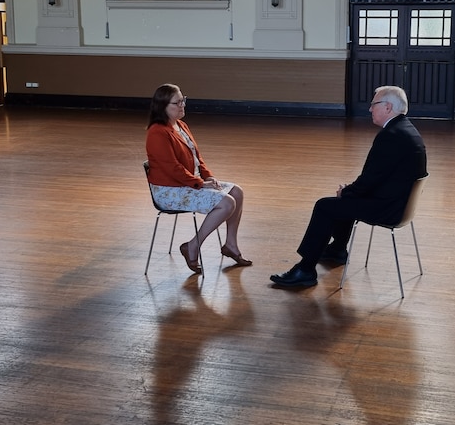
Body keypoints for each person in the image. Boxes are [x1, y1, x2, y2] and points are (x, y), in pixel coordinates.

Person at [270, 85, 427, 288]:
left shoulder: (391, 136)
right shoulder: (406, 130)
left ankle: (306, 269)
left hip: (389, 208)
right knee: (346, 200)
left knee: (325, 206)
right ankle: (336, 250)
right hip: (400, 204)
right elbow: (378, 177)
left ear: (388, 107)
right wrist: (352, 191)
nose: (370, 109)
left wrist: (347, 191)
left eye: (374, 104)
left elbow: (371, 178)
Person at [146, 83, 251, 273]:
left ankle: (231, 245)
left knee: (237, 191)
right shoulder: (156, 132)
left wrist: (210, 177)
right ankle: (193, 246)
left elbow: (197, 158)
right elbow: (172, 168)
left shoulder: (181, 125)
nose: (182, 105)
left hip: (187, 182)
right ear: (163, 106)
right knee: (227, 203)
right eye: (177, 103)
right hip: (169, 190)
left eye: (183, 100)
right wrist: (201, 183)